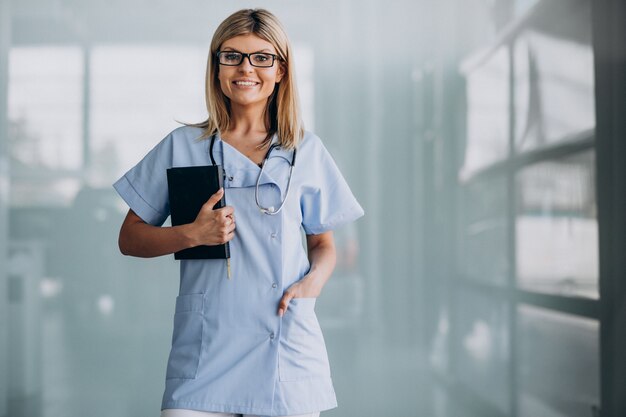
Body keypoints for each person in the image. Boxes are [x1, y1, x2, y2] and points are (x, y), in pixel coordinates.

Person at [113, 8, 364, 417]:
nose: (246, 68)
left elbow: (323, 244)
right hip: (206, 348)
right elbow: (129, 238)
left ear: (281, 70)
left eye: (261, 57)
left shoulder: (305, 151)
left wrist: (312, 284)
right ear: (216, 67)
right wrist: (191, 234)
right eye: (231, 56)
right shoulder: (183, 146)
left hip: (282, 342)